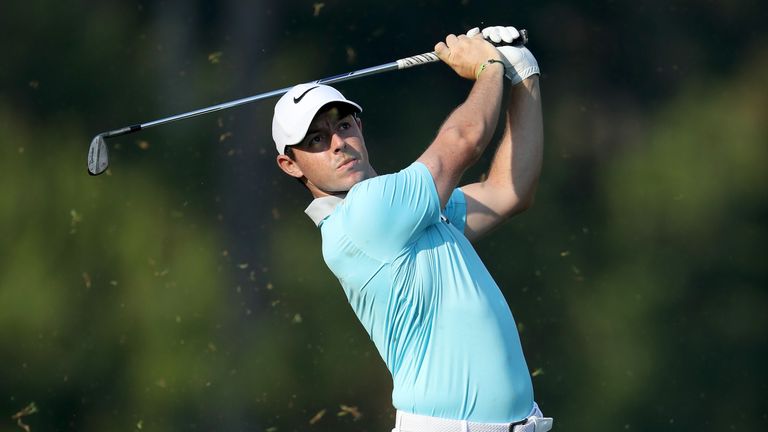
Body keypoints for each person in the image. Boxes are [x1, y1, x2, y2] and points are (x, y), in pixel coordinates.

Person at [271, 25, 551, 432]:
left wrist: (523, 75)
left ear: (360, 129)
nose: (337, 143)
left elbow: (510, 190)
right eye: (315, 139)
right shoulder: (366, 213)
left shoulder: (406, 213)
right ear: (290, 165)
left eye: (343, 126)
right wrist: (489, 66)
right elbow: (464, 140)